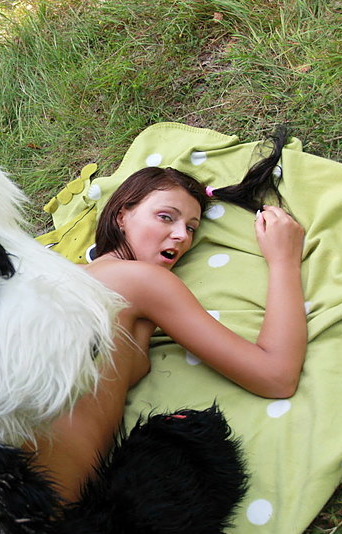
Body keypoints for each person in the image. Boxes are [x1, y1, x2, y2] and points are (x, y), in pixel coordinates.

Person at [32, 130, 307, 504]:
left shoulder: (59, 274)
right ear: (122, 214)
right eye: (166, 217)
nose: (181, 236)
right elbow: (275, 376)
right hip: (23, 495)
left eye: (191, 228)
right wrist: (284, 260)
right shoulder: (140, 279)